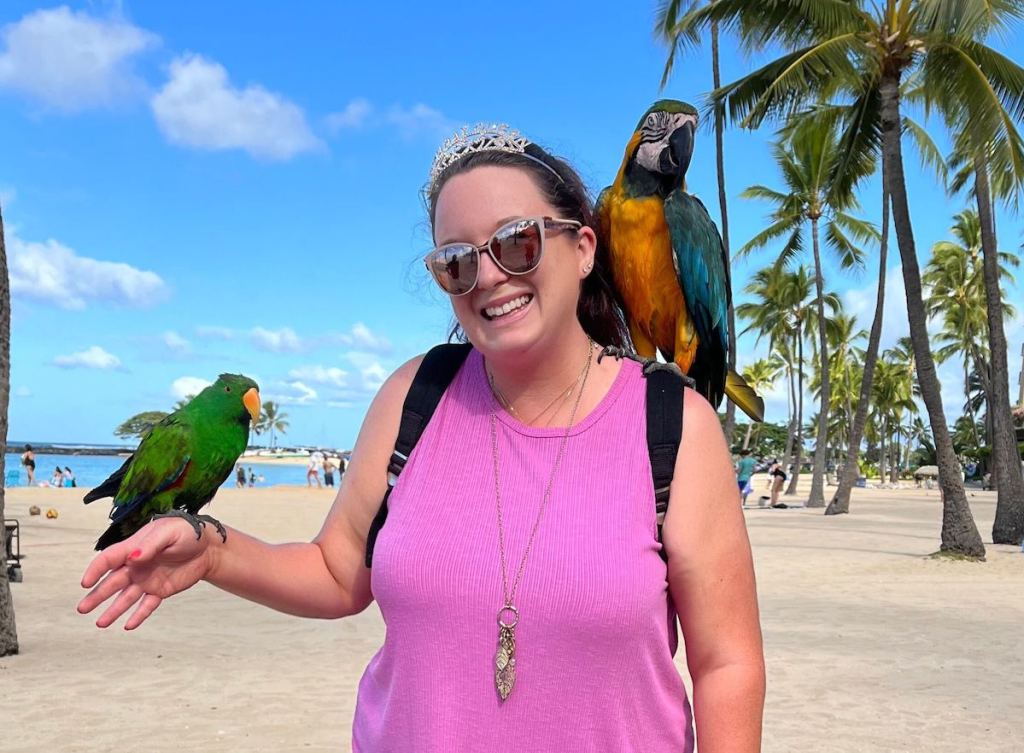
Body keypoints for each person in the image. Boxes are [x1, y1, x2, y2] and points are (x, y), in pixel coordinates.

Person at [77, 124, 764, 751]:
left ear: (583, 247)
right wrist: (210, 554)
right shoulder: (415, 395)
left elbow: (726, 662)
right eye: (458, 261)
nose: (490, 274)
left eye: (518, 241)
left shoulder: (672, 423)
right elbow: (339, 570)